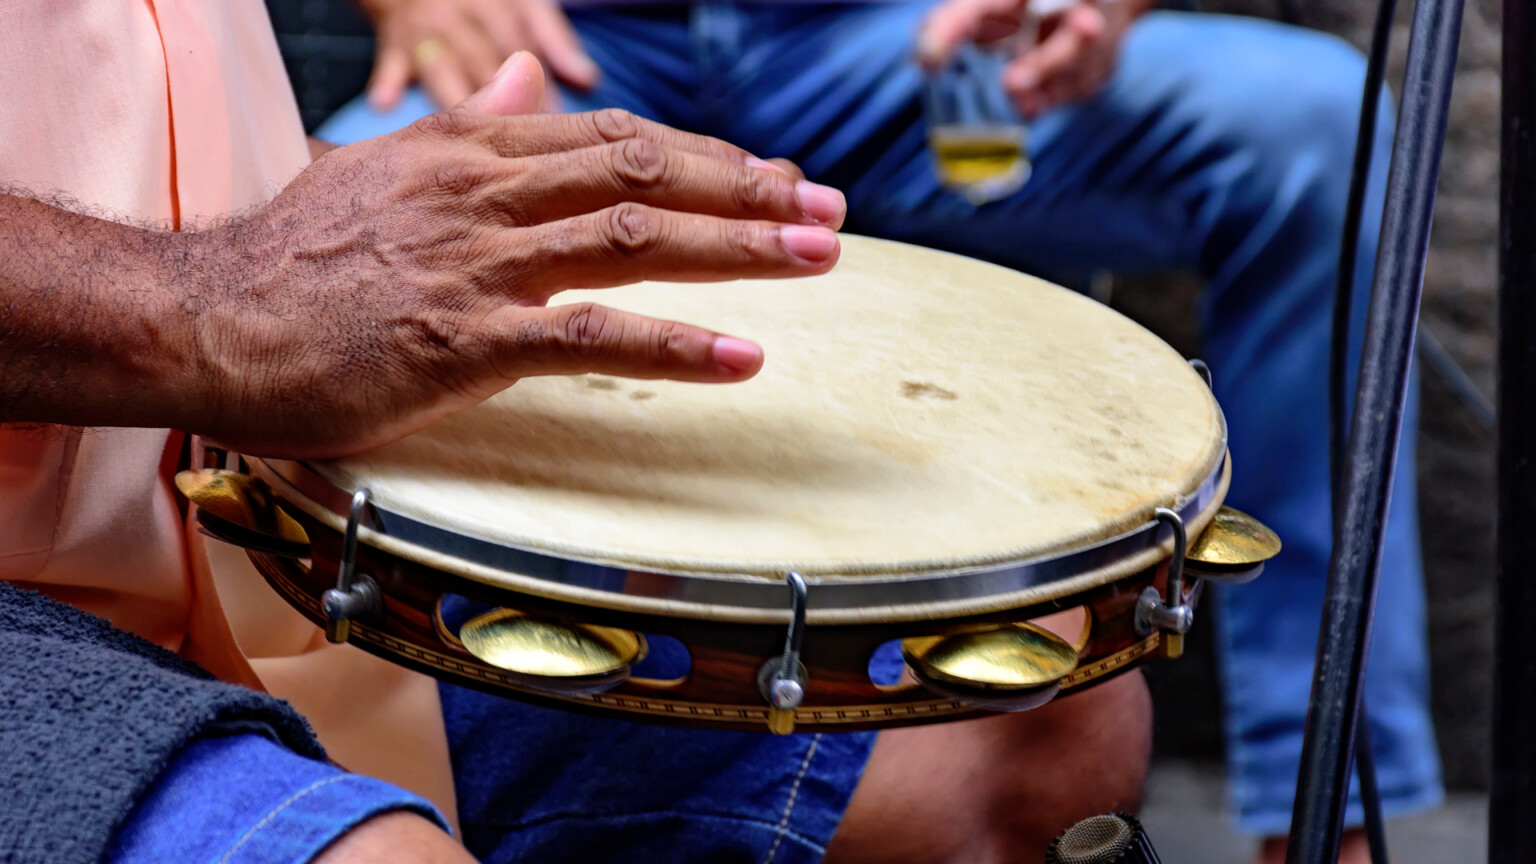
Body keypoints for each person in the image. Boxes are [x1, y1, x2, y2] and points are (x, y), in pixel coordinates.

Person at [0, 3, 1146, 863]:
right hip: (38, 600)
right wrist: (217, 298)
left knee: (1027, 715)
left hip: (221, 501)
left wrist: (319, 215)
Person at [317, 0, 1447, 860]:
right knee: (334, 226)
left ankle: (1333, 817)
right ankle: (359, 791)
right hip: (577, 39)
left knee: (1316, 129)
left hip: (902, 41)